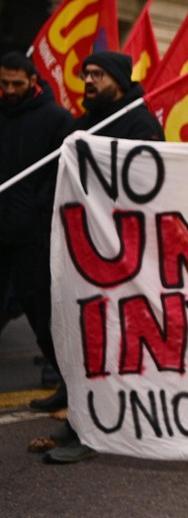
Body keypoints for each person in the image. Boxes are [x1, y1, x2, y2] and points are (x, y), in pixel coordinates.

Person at [43, 50, 164, 464]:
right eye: (85, 74)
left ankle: (92, 430)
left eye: (97, 74)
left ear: (118, 79)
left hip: (118, 254)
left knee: (106, 340)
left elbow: (150, 184)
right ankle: (79, 414)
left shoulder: (140, 123)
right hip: (83, 247)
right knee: (80, 335)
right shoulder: (85, 123)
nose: (88, 80)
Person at [0, 52, 73, 402]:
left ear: (33, 81)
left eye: (17, 84)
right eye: (4, 84)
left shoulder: (56, 119)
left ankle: (64, 378)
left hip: (33, 233)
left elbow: (62, 173)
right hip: (2, 228)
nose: (10, 90)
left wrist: (40, 210)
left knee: (39, 309)